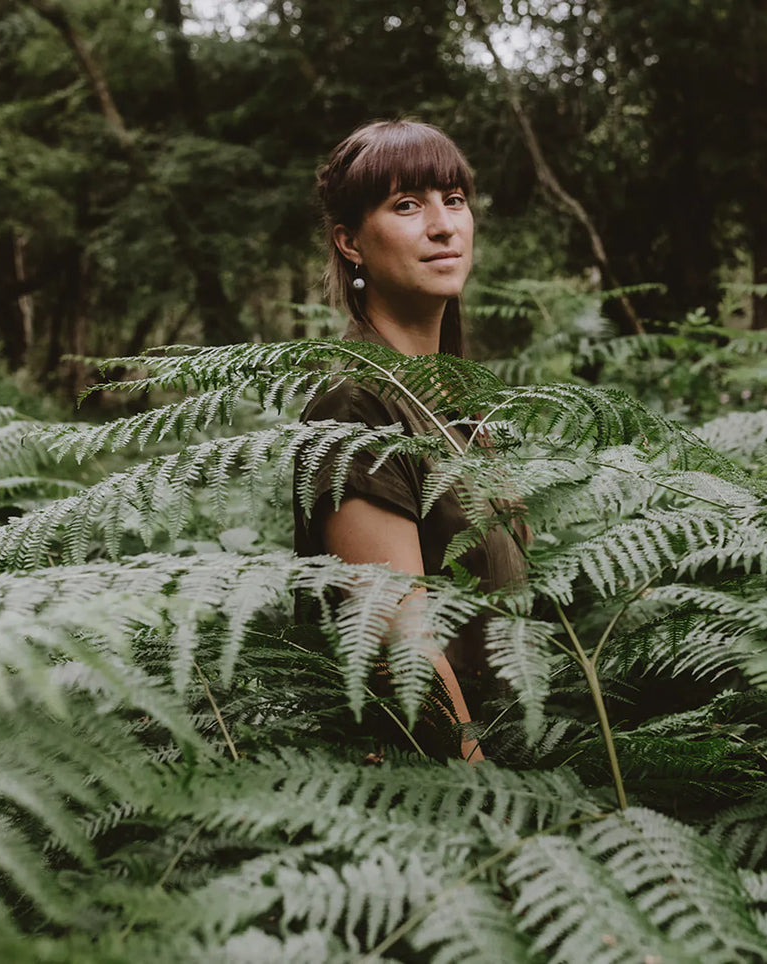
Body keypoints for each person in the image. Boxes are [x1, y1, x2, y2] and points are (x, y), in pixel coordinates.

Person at [293, 120, 526, 763]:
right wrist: (499, 805)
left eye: (454, 200)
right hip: (433, 796)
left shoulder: (460, 403)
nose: (444, 224)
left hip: (514, 763)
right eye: (406, 205)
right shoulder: (357, 404)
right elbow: (404, 649)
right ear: (351, 243)